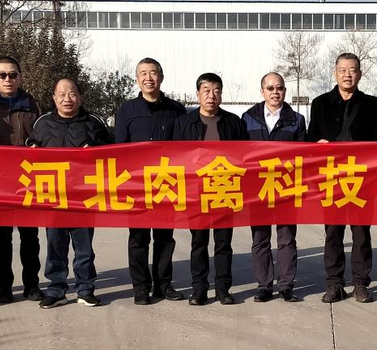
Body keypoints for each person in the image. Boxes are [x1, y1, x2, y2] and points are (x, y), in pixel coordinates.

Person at [308, 53, 377, 304]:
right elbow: (310, 139)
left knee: (361, 233)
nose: (347, 75)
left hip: (362, 177)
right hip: (331, 178)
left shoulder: (371, 104)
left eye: (352, 70)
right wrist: (317, 144)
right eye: (342, 70)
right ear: (335, 73)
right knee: (333, 232)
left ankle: (361, 283)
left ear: (359, 74)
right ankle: (335, 283)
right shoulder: (320, 103)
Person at [29, 78, 111, 309]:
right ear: (54, 98)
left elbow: (111, 151)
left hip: (83, 197)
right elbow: (31, 147)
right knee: (55, 245)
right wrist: (33, 149)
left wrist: (95, 151)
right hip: (53, 196)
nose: (67, 99)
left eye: (72, 94)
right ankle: (56, 290)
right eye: (62, 94)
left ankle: (85, 289)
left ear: (80, 97)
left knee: (83, 247)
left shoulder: (93, 122)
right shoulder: (43, 123)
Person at [115, 58, 187, 306]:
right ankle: (140, 287)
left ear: (161, 77)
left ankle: (163, 285)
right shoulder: (127, 111)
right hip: (137, 186)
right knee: (138, 238)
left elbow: (184, 150)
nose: (149, 78)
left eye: (153, 73)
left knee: (165, 238)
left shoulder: (176, 110)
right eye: (143, 73)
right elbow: (119, 150)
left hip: (166, 183)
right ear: (137, 79)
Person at [0, 56, 44, 304]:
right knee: (1, 238)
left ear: (20, 77)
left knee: (30, 237)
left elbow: (44, 135)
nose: (8, 79)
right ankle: (4, 286)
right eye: (2, 75)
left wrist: (37, 145)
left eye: (13, 75)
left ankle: (31, 285)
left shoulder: (34, 105)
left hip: (28, 180)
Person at [173, 73, 247, 306]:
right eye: (206, 91)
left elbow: (245, 156)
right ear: (198, 94)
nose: (211, 96)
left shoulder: (234, 122)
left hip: (225, 189)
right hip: (196, 192)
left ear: (221, 94)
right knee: (199, 242)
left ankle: (223, 288)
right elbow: (175, 158)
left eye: (216, 91)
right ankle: (199, 289)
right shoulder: (184, 123)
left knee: (223, 243)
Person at [241, 72, 307, 303]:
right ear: (262, 91)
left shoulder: (296, 120)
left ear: (285, 91)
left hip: (286, 187)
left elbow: (304, 156)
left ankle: (286, 286)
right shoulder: (247, 118)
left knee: (286, 239)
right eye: (270, 88)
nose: (275, 92)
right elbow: (241, 155)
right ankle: (264, 286)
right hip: (258, 188)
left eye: (279, 88)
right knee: (260, 238)